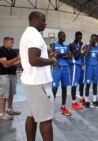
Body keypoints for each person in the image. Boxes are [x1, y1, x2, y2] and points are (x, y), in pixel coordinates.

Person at [19, 11, 56, 141]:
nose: (45, 23)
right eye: (43, 20)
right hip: (38, 82)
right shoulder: (34, 35)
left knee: (32, 116)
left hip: (31, 81)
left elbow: (34, 57)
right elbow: (34, 60)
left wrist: (47, 57)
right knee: (46, 119)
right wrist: (52, 61)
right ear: (34, 20)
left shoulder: (27, 34)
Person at [51, 31, 72, 116]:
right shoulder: (54, 45)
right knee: (54, 89)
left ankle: (63, 107)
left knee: (64, 88)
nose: (64, 37)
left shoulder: (66, 46)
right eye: (62, 36)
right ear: (58, 36)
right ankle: (50, 109)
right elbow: (53, 55)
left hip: (65, 68)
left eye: (65, 36)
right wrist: (63, 55)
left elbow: (70, 56)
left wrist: (60, 54)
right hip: (57, 68)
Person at [0, 37, 21, 120]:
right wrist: (16, 59)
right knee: (3, 95)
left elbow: (15, 63)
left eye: (13, 42)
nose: (12, 44)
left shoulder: (12, 52)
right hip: (3, 75)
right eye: (11, 42)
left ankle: (10, 110)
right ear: (5, 42)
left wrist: (15, 61)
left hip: (12, 74)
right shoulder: (1, 50)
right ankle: (1, 113)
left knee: (11, 94)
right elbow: (5, 64)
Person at [84, 34, 98, 108]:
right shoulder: (87, 46)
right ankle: (86, 101)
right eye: (93, 39)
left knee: (95, 84)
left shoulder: (97, 47)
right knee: (88, 84)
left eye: (95, 39)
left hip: (95, 67)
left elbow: (97, 58)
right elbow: (86, 54)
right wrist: (90, 44)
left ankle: (94, 100)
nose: (95, 41)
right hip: (89, 67)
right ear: (90, 39)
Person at [68, 31, 84, 110]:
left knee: (80, 83)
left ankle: (80, 99)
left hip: (79, 65)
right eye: (79, 37)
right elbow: (77, 56)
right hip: (74, 65)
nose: (80, 39)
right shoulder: (72, 44)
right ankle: (73, 103)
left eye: (81, 37)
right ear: (76, 36)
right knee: (74, 84)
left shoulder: (77, 44)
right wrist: (80, 46)